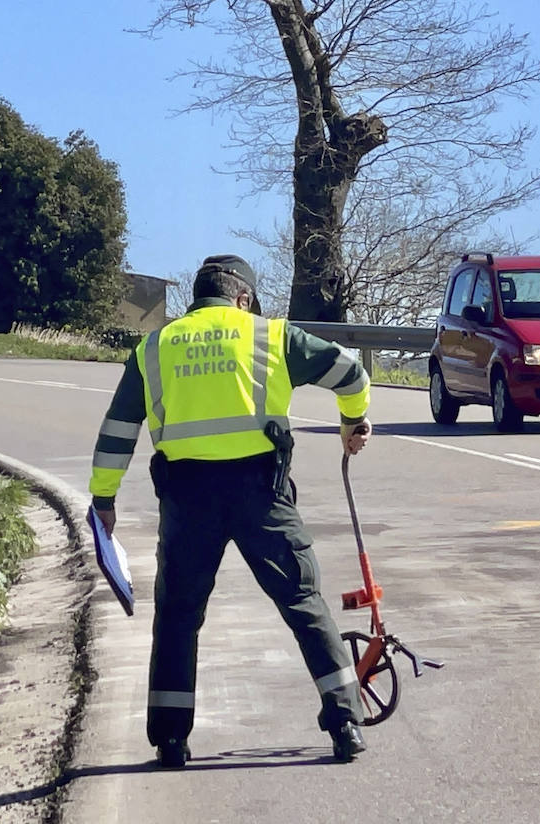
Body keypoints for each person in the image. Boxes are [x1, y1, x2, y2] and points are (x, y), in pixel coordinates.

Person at [88, 254, 373, 767]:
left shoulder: (154, 348)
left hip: (187, 498)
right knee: (304, 603)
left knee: (177, 616)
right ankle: (346, 721)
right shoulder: (271, 336)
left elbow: (117, 432)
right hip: (261, 493)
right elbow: (351, 372)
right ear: (242, 300)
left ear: (197, 298)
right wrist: (352, 423)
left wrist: (103, 500)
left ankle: (171, 740)